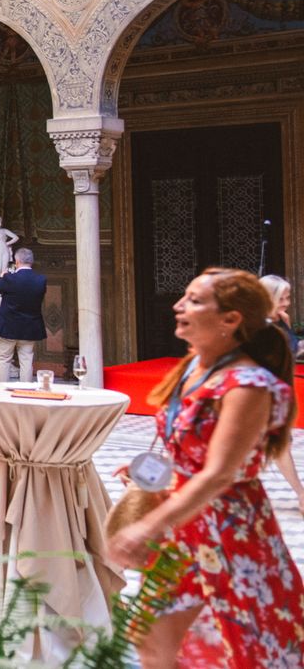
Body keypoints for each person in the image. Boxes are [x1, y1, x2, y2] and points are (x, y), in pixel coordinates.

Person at [107, 268, 303, 669]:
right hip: (183, 523)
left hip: (226, 528)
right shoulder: (196, 366)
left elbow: (220, 473)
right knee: (150, 636)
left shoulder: (248, 384)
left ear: (231, 320)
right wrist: (158, 468)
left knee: (240, 644)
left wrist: (146, 525)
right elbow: (194, 444)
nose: (178, 306)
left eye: (194, 300)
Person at [259, 274, 304, 511]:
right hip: (263, 394)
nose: (287, 302)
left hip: (281, 390)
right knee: (280, 444)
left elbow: (293, 349)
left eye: (288, 297)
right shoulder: (256, 327)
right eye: (283, 298)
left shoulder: (282, 319)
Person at [0, 248, 47, 383]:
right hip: (30, 328)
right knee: (27, 361)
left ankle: (1, 393)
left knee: (3, 360)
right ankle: (25, 392)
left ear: (17, 261)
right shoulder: (41, 280)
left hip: (7, 327)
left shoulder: (9, 279)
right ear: (31, 262)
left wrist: (2, 276)